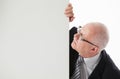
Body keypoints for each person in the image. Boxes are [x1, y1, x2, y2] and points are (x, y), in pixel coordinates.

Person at [65, 3, 120, 79]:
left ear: (93, 49)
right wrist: (62, 18)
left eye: (81, 36)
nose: (75, 35)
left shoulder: (112, 74)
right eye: (80, 29)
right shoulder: (72, 35)